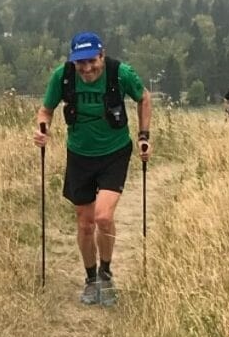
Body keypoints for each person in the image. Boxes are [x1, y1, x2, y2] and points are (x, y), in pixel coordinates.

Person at [33, 31, 152, 306]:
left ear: (102, 55)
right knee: (85, 224)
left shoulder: (120, 73)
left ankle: (106, 275)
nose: (86, 68)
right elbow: (45, 110)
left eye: (91, 61)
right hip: (79, 155)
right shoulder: (62, 76)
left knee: (103, 217)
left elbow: (144, 97)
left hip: (114, 153)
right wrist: (42, 130)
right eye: (80, 62)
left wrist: (144, 136)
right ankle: (90, 280)